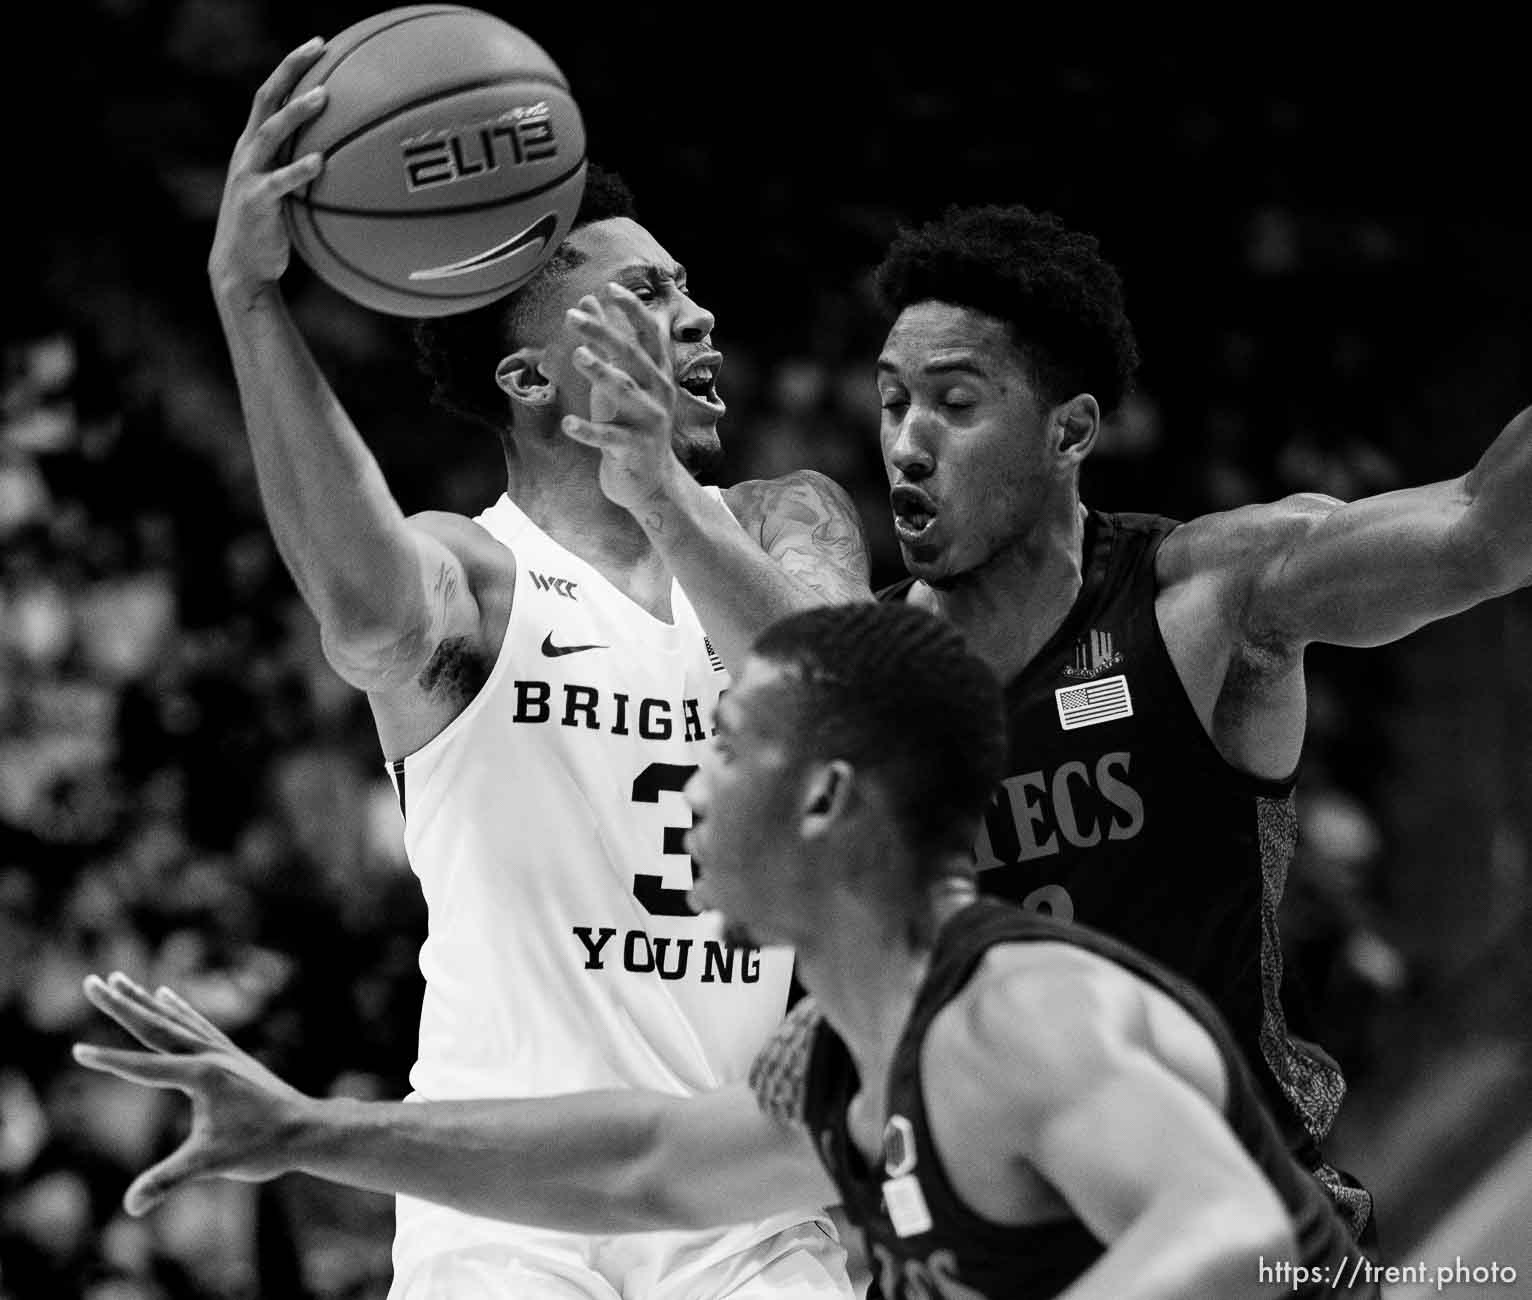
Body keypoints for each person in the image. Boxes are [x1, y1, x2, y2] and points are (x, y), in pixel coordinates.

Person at [75, 603, 1381, 1300]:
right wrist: (310, 1131)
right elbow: (636, 1164)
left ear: (822, 802)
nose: (691, 788)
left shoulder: (1012, 1014)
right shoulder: (853, 1073)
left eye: (731, 748)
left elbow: (1226, 1234)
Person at [205, 38, 868, 1299]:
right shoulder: (477, 576)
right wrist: (248, 299)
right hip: (498, 1213)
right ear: (526, 377)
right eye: (649, 300)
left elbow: (841, 690)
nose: (699, 314)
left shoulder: (783, 518)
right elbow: (363, 621)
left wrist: (665, 497)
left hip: (745, 1201)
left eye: (684, 287)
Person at [867, 203, 1532, 1243]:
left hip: (1244, 1232)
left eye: (953, 401)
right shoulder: (854, 679)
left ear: (1070, 431)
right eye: (891, 399)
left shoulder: (1206, 600)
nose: (906, 441)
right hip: (984, 1251)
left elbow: (1481, 532)